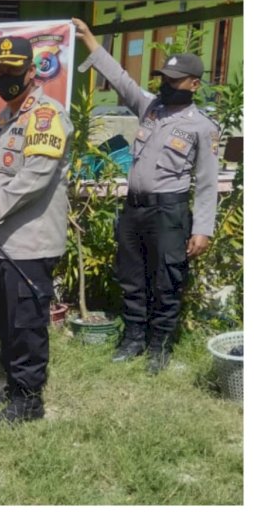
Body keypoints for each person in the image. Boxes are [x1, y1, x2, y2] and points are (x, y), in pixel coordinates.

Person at [72, 18, 219, 374]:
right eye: (163, 79)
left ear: (193, 84)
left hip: (169, 212)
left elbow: (208, 181)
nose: (165, 85)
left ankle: (159, 345)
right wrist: (92, 42)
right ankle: (133, 338)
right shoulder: (150, 108)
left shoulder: (201, 126)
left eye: (174, 81)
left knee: (167, 280)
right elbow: (122, 81)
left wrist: (203, 229)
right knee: (132, 276)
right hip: (135, 209)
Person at [0, 36, 73, 425]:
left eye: (12, 70)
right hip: (2, 243)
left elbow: (34, 178)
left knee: (26, 325)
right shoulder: (6, 117)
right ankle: (16, 385)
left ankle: (29, 400)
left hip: (31, 242)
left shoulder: (46, 117)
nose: (5, 77)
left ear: (31, 71)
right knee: (5, 321)